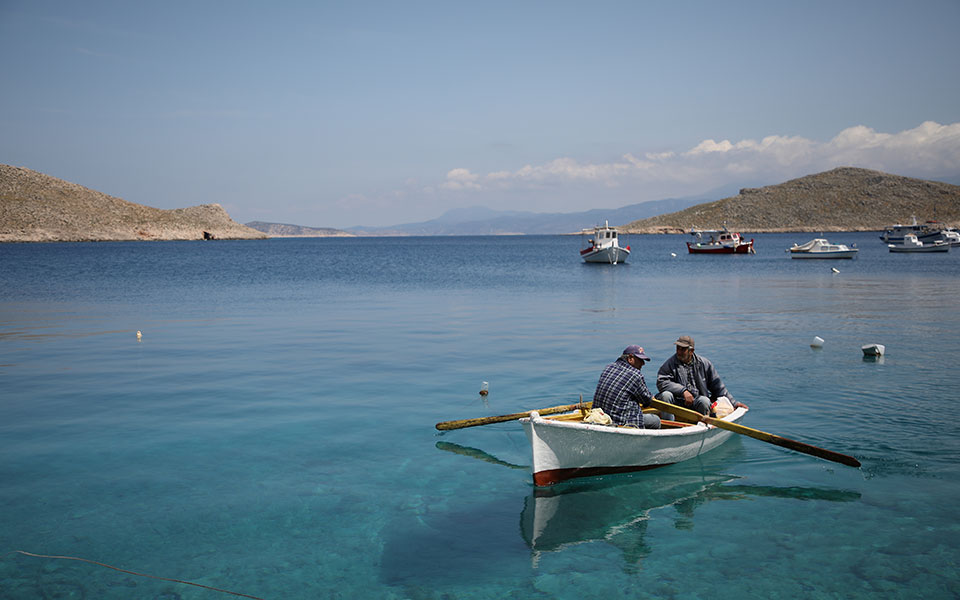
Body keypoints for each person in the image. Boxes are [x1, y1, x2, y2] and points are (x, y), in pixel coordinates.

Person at [656, 335, 748, 416]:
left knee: (705, 401)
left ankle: (702, 425)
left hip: (697, 402)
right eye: (678, 348)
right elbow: (662, 382)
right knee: (665, 395)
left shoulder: (704, 364)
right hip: (677, 403)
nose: (679, 352)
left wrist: (734, 403)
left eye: (683, 349)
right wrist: (683, 391)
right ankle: (669, 424)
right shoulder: (670, 364)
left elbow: (718, 388)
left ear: (691, 351)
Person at [592, 345, 661, 429]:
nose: (643, 364)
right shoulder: (635, 375)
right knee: (656, 421)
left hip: (598, 416)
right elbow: (646, 401)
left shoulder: (608, 367)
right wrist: (651, 397)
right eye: (640, 360)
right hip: (619, 421)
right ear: (630, 358)